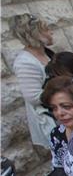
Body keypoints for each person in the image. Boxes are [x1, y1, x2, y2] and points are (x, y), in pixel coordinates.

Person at [10, 14, 57, 147]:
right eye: (47, 29)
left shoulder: (46, 53)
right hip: (53, 119)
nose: (51, 32)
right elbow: (34, 97)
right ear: (37, 34)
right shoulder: (25, 62)